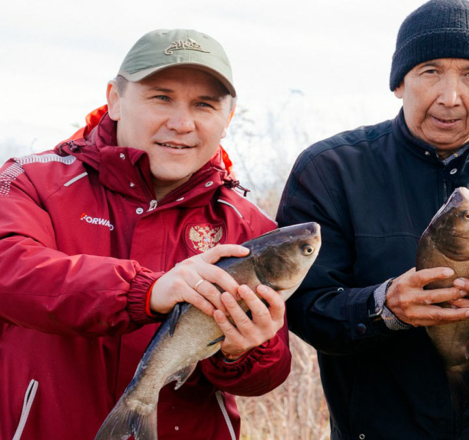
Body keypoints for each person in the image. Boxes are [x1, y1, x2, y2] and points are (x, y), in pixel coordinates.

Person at [277, 1, 469, 438]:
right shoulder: (330, 169)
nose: (450, 97)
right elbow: (302, 307)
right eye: (429, 70)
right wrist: (383, 307)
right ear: (399, 83)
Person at [0, 29, 291, 439]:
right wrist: (145, 291)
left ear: (226, 119)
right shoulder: (30, 179)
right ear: (114, 100)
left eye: (203, 105)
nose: (181, 123)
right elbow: (8, 271)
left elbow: (264, 378)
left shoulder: (249, 225)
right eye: (161, 97)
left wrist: (245, 350)